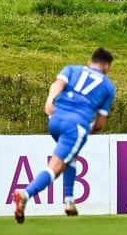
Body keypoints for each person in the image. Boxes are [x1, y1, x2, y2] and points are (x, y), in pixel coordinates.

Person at [13, 48, 116, 223]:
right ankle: (25, 194)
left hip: (55, 120)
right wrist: (85, 131)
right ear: (107, 67)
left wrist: (49, 101)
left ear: (90, 62)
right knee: (55, 167)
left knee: (70, 158)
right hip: (75, 126)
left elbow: (58, 84)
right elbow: (99, 124)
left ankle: (69, 200)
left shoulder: (72, 69)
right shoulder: (107, 86)